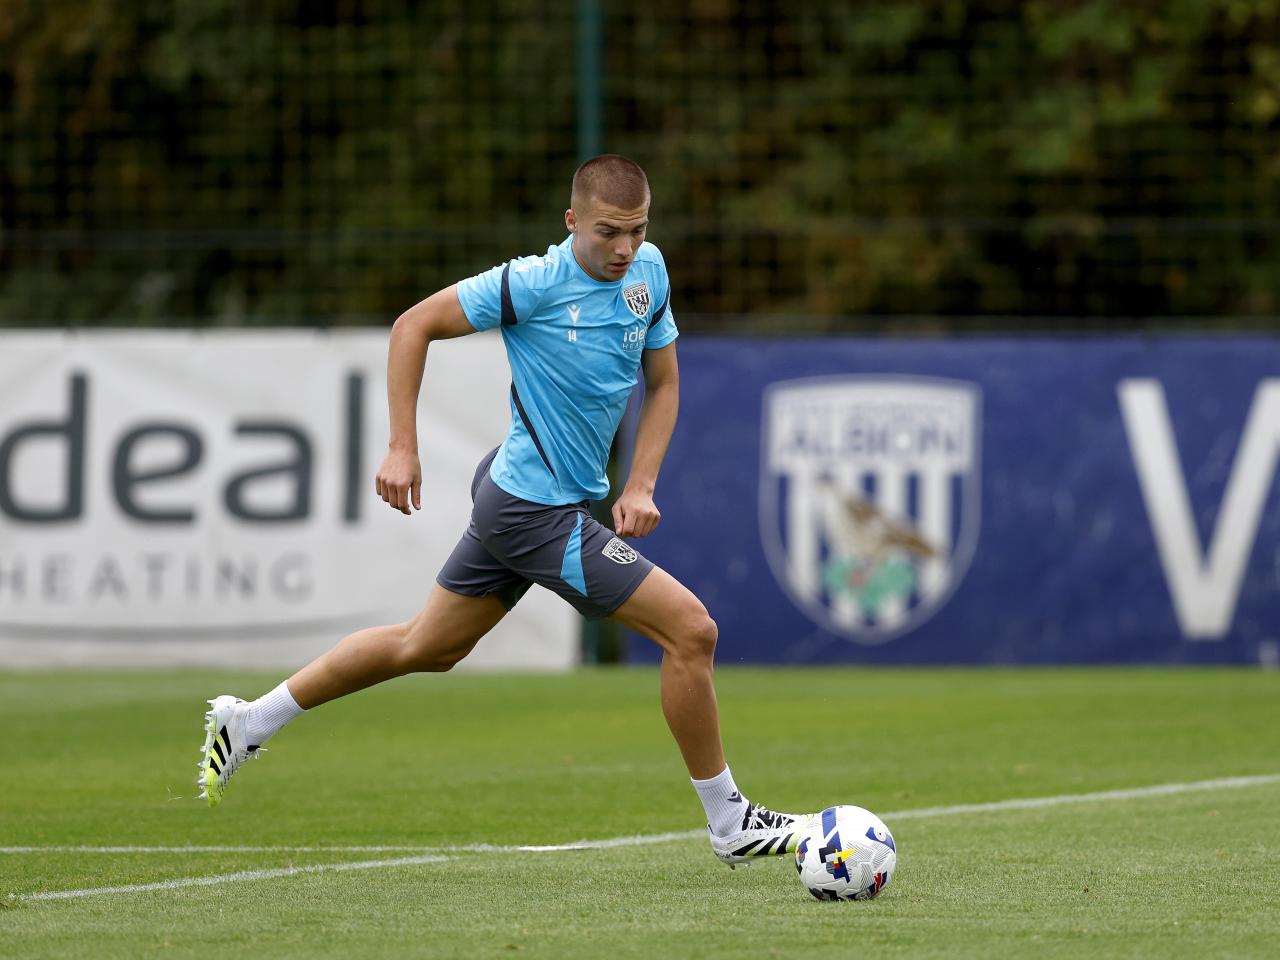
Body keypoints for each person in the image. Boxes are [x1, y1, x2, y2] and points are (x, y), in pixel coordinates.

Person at [197, 155, 806, 867]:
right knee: (691, 631)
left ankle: (250, 719)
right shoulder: (534, 283)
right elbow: (411, 326)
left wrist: (640, 484)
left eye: (637, 232)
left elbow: (664, 382)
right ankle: (730, 823)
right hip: (532, 512)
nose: (623, 249)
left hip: (525, 500)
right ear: (572, 220)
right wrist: (401, 447)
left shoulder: (649, 272)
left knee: (425, 647)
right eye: (608, 232)